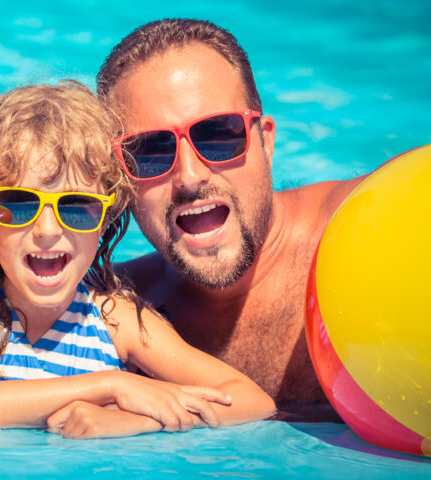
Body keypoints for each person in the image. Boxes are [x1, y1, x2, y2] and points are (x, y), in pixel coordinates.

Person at [0, 80, 275, 439]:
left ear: (106, 219)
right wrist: (111, 386)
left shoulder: (113, 319)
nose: (47, 230)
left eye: (76, 207)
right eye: (18, 204)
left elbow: (252, 400)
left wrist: (140, 421)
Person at [95, 19, 368, 408]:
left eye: (218, 135)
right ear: (119, 177)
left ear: (266, 141)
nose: (190, 177)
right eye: (150, 150)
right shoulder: (107, 308)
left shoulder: (362, 227)